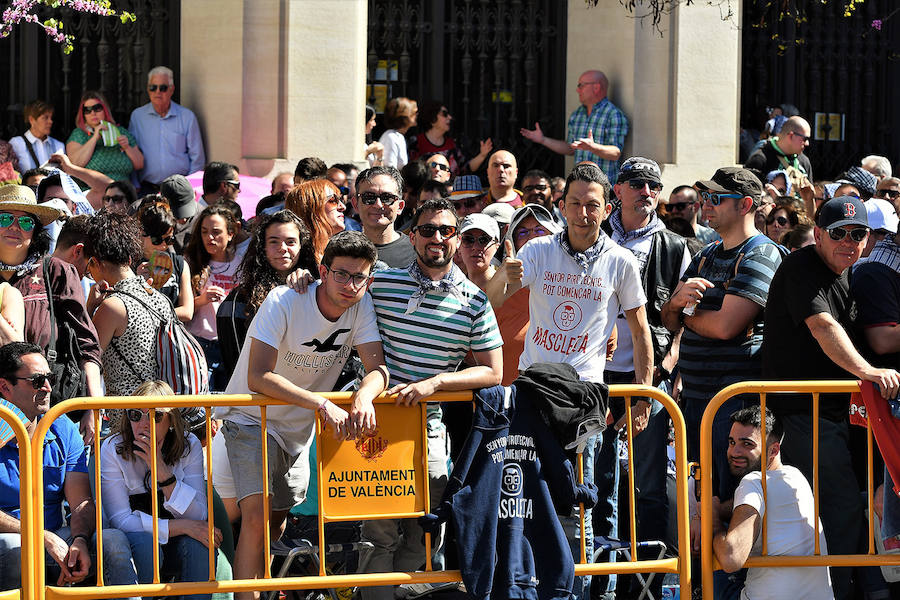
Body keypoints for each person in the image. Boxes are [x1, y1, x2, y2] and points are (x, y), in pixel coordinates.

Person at [491, 163, 652, 600]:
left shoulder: (621, 261)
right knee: (526, 496)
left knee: (580, 500)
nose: (583, 213)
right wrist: (503, 275)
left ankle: (575, 590)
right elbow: (493, 300)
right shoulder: (538, 251)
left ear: (607, 207)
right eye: (576, 204)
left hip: (585, 400)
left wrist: (644, 396)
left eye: (593, 205)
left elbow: (640, 330)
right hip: (532, 391)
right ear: (562, 207)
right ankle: (526, 587)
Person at [218, 231, 389, 600]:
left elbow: (378, 368)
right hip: (250, 417)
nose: (350, 284)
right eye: (342, 274)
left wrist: (364, 395)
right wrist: (322, 404)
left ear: (369, 281)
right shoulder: (285, 299)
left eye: (359, 277)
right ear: (323, 272)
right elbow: (258, 375)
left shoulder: (361, 306)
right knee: (255, 518)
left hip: (296, 430)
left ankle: (261, 589)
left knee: (276, 522)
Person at [363, 198, 503, 600]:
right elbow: (336, 295)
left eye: (445, 231)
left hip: (431, 429)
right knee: (379, 534)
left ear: (457, 239)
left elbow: (493, 370)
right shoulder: (381, 283)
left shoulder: (474, 301)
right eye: (427, 230)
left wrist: (438, 383)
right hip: (379, 427)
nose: (436, 238)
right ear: (412, 236)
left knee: (424, 532)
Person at [762, 196, 900, 600]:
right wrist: (868, 371)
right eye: (839, 233)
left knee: (843, 511)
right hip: (802, 414)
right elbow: (823, 327)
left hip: (835, 415)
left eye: (859, 234)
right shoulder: (802, 266)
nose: (849, 241)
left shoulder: (847, 273)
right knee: (837, 513)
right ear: (818, 234)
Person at [660, 167, 784, 506]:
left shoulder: (761, 253)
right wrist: (676, 305)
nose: (706, 205)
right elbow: (668, 317)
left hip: (736, 404)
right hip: (698, 399)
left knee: (730, 500)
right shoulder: (706, 253)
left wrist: (686, 312)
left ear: (745, 204)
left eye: (715, 199)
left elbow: (725, 326)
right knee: (702, 499)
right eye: (704, 198)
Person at [602, 157, 690, 598]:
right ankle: (593, 583)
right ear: (617, 189)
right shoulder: (592, 234)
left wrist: (663, 374)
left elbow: (682, 321)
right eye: (637, 183)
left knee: (647, 486)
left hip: (648, 380)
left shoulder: (675, 245)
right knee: (593, 481)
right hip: (593, 377)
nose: (647, 191)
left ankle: (644, 591)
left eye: (654, 185)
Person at [0, 342, 137, 594]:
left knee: (113, 542)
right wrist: (40, 536)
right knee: (14, 546)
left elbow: (81, 502)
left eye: (49, 377)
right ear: (5, 387)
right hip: (12, 541)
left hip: (52, 538)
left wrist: (80, 540)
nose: (49, 387)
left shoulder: (60, 424)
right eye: (37, 380)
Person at [0, 185, 102, 439]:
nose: (15, 227)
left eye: (25, 221)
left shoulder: (54, 271)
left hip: (46, 405)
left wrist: (93, 408)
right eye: (4, 218)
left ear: (35, 231)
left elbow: (86, 342)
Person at [100, 380, 219, 599]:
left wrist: (162, 472)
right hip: (133, 544)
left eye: (155, 416)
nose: (144, 424)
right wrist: (183, 526)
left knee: (202, 543)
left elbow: (199, 515)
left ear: (171, 420)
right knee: (146, 544)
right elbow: (120, 520)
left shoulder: (189, 444)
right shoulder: (112, 448)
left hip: (174, 543)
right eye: (136, 415)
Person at [712, 406, 834, 600]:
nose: (734, 451)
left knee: (712, 556)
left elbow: (731, 559)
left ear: (774, 450)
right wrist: (719, 508)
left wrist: (712, 520)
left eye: (747, 444)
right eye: (731, 442)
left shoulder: (753, 481)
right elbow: (747, 503)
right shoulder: (796, 477)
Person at [216, 209, 318, 374]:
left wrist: (312, 285)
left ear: (302, 246)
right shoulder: (239, 300)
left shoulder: (316, 290)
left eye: (291, 242)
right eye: (274, 241)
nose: (282, 248)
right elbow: (237, 367)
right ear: (262, 247)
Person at [85, 211, 171, 397]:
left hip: (130, 414)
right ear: (130, 259)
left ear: (96, 263)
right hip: (163, 408)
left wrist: (90, 307)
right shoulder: (159, 298)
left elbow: (88, 357)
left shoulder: (113, 306)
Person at [520, 70, 628, 183]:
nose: (577, 90)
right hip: (579, 186)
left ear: (596, 87)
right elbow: (570, 148)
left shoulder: (613, 114)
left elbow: (616, 153)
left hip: (603, 188)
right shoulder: (577, 114)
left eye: (581, 85)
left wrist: (592, 147)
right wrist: (542, 140)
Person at [185, 205, 244, 391]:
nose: (209, 237)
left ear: (231, 233)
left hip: (231, 344)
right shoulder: (190, 263)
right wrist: (203, 299)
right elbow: (179, 308)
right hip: (200, 344)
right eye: (204, 232)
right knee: (203, 408)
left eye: (216, 232)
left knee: (227, 408)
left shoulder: (241, 263)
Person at [128, 66, 206, 191]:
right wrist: (135, 185)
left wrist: (189, 187)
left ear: (172, 89)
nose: (157, 92)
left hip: (179, 190)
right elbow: (131, 150)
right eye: (153, 87)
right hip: (147, 188)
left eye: (163, 88)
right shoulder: (138, 116)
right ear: (148, 90)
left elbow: (197, 158)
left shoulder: (187, 117)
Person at [66, 91, 143, 183]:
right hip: (92, 190)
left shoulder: (121, 131)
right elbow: (75, 164)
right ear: (83, 115)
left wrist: (127, 147)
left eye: (97, 108)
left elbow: (139, 164)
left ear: (105, 110)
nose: (93, 113)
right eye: (87, 110)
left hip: (123, 189)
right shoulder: (79, 134)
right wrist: (94, 138)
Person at [136, 200, 194, 322]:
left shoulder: (180, 264)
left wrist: (150, 313)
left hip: (169, 336)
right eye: (157, 240)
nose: (163, 245)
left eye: (168, 240)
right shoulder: (128, 264)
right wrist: (136, 284)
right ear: (140, 233)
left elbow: (187, 312)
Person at [351, 166, 416, 268]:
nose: (378, 205)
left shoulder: (418, 252)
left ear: (400, 206)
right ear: (355, 204)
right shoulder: (342, 250)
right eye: (369, 197)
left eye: (387, 198)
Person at [409, 101, 491, 176]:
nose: (450, 117)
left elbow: (466, 167)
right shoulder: (417, 142)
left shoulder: (452, 144)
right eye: (444, 114)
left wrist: (482, 155)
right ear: (432, 118)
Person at [283, 179, 346, 262]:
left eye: (341, 200)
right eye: (333, 200)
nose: (343, 207)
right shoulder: (296, 261)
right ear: (311, 209)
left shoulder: (340, 252)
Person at [744, 116, 814, 186]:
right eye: (805, 139)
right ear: (791, 136)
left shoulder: (804, 161)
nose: (807, 143)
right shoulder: (759, 160)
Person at [8, 100, 65, 171]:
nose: (50, 121)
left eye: (51, 118)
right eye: (45, 118)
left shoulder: (59, 146)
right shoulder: (16, 144)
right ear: (31, 120)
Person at [457, 213, 500, 289]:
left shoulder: (508, 290)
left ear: (497, 247)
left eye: (484, 240)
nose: (475, 247)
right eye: (468, 239)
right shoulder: (452, 291)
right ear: (459, 247)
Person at [379, 97, 417, 169]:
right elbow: (390, 169)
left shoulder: (399, 136)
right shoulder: (391, 137)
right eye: (414, 112)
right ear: (405, 116)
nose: (417, 115)